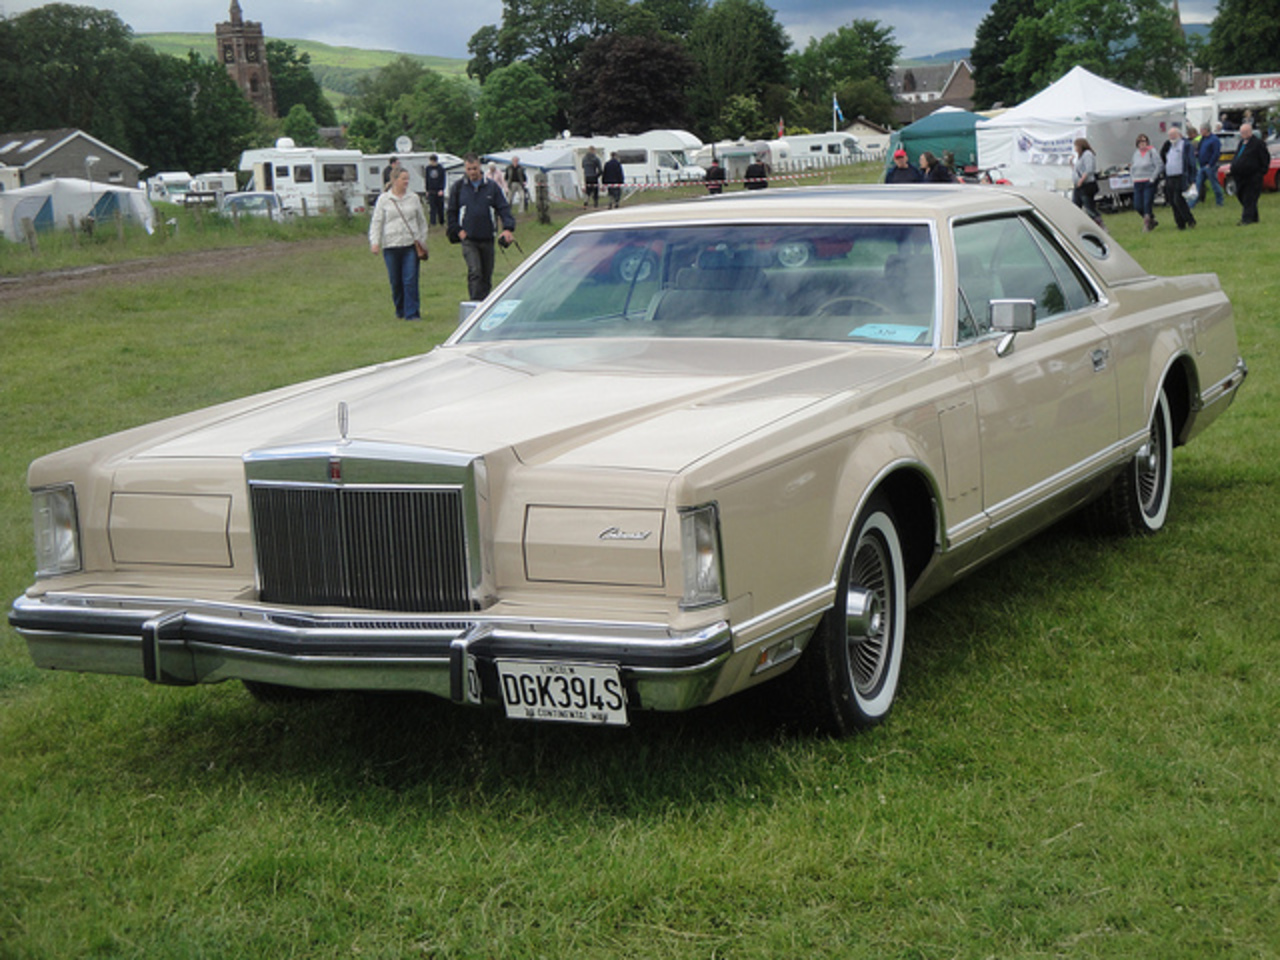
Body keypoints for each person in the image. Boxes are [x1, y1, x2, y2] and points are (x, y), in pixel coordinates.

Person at [447, 153, 516, 301]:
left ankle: (484, 304)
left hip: (487, 237)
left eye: (475, 168)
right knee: (475, 271)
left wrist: (508, 228)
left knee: (486, 275)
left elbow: (503, 208)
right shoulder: (458, 188)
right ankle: (474, 304)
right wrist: (457, 231)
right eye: (469, 169)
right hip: (468, 238)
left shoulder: (492, 187)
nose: (472, 172)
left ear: (480, 167)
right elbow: (451, 213)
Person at [369, 167, 427, 321]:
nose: (406, 182)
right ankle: (400, 309)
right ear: (394, 180)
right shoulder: (384, 199)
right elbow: (377, 222)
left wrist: (421, 240)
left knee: (410, 280)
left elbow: (422, 221)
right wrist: (375, 242)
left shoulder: (413, 198)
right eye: (403, 179)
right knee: (396, 281)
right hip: (391, 245)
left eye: (407, 179)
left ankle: (412, 313)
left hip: (410, 245)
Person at [1159, 124, 1197, 230]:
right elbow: (1163, 156)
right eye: (1170, 135)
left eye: (1173, 135)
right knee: (1172, 201)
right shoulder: (1168, 145)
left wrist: (1191, 178)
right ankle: (1180, 224)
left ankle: (1190, 220)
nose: (1172, 137)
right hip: (1170, 177)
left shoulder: (1185, 145)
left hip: (1181, 176)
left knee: (1178, 199)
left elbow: (1191, 162)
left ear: (1179, 135)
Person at [1230, 122, 1268, 225]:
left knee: (1249, 198)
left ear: (1250, 132)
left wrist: (1261, 171)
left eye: (1245, 132)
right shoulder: (1241, 143)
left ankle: (1246, 219)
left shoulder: (1257, 143)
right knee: (1241, 195)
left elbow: (1265, 158)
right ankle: (1254, 217)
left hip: (1253, 176)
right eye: (1242, 132)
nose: (1243, 134)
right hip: (1240, 176)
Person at [1130, 133, 1162, 232]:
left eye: (1144, 141)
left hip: (1148, 180)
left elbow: (1159, 165)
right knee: (1137, 205)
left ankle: (1147, 224)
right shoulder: (1136, 153)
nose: (1142, 144)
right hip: (1138, 181)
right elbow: (1132, 167)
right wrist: (1133, 178)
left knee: (1147, 202)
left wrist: (1153, 178)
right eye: (1140, 142)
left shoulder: (1152, 152)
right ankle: (1151, 219)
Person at [1071, 137, 1105, 228]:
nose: (1075, 148)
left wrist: (1081, 180)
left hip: (1086, 185)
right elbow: (1077, 170)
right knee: (1075, 206)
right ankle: (1076, 225)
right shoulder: (1080, 156)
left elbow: (1089, 169)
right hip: (1078, 186)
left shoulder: (1087, 154)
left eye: (1076, 146)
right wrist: (1071, 163)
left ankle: (1100, 224)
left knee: (1089, 207)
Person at [1190, 123, 1224, 209]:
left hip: (1210, 166)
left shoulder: (1214, 140)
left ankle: (1220, 201)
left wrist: (1210, 164)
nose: (1200, 132)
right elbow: (1199, 148)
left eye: (1201, 130)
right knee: (1197, 184)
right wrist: (1197, 153)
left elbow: (1216, 153)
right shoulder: (1202, 139)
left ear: (1206, 130)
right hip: (1201, 166)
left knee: (1214, 184)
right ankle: (1191, 204)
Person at [423, 154, 447, 226]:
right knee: (432, 207)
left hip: (439, 190)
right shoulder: (428, 169)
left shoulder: (440, 169)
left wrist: (441, 189)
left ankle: (441, 221)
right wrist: (427, 190)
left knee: (440, 207)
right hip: (431, 190)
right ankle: (433, 222)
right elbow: (426, 179)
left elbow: (443, 179)